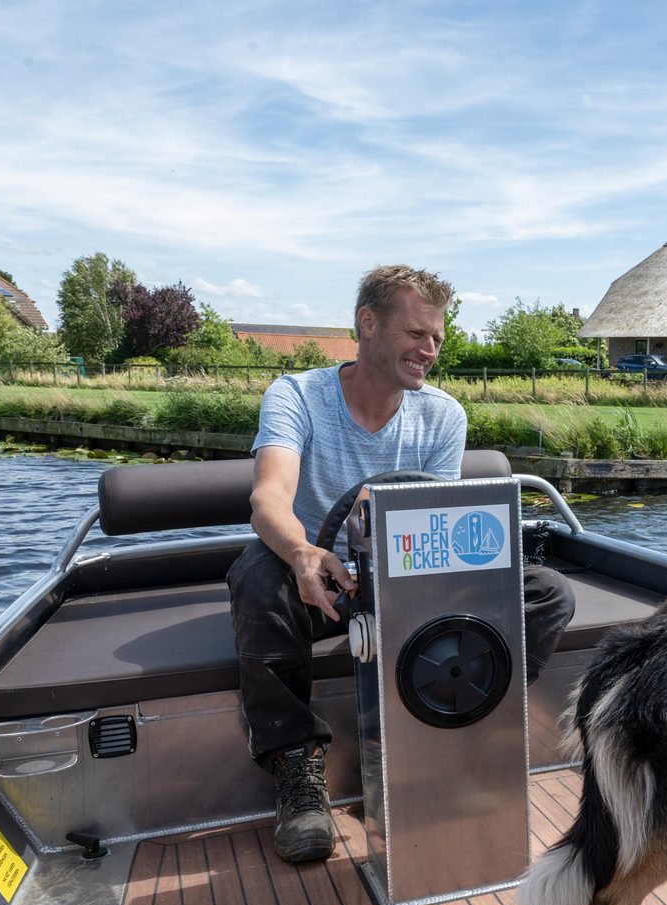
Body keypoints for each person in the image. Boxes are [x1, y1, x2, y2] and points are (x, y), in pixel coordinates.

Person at [227, 264, 574, 862]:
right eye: (417, 334)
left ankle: (459, 737)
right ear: (368, 325)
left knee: (548, 593)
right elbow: (269, 499)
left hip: (409, 582)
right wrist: (307, 555)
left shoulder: (443, 416)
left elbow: (431, 522)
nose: (430, 350)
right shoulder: (296, 397)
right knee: (260, 574)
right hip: (320, 587)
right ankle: (297, 772)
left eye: (437, 338)